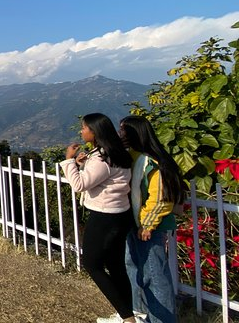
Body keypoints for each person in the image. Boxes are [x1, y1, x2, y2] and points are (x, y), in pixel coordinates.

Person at [59, 113, 138, 323]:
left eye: (84, 128)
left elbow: (79, 185)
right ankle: (127, 312)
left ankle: (128, 318)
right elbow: (102, 180)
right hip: (120, 215)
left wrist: (69, 161)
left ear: (95, 132)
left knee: (92, 264)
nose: (81, 131)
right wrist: (83, 163)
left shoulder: (103, 158)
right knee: (116, 265)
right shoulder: (117, 153)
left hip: (104, 217)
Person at [118, 116, 184, 323]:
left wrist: (148, 224)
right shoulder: (135, 157)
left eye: (123, 131)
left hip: (148, 227)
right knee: (135, 269)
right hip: (136, 224)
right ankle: (142, 314)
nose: (121, 135)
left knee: (154, 276)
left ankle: (162, 320)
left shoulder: (151, 161)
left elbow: (161, 196)